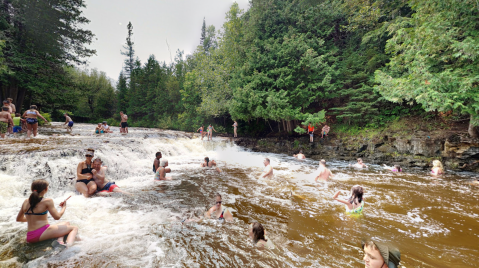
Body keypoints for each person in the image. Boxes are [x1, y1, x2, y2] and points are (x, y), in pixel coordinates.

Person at [16, 180, 79, 248]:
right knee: (74, 228)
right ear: (46, 189)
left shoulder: (26, 201)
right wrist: (64, 207)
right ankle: (68, 246)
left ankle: (60, 241)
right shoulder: (47, 201)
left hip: (30, 236)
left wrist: (34, 218)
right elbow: (57, 217)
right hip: (40, 233)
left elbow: (19, 219)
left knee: (66, 223)